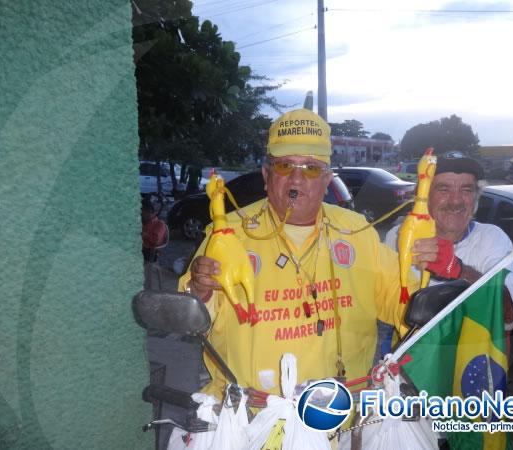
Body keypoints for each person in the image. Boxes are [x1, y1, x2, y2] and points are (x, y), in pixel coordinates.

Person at [179, 108, 424, 399]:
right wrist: (200, 289)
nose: (296, 179)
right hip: (248, 419)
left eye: (310, 168)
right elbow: (190, 317)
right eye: (284, 166)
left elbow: (405, 304)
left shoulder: (356, 231)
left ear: (327, 179)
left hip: (338, 417)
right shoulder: (227, 233)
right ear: (266, 175)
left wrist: (431, 285)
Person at [385, 156, 513, 335]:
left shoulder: (493, 238)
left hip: (471, 359)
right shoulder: (397, 237)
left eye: (466, 190)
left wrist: (459, 271)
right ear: (424, 196)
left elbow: (509, 317)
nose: (455, 201)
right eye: (443, 189)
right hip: (409, 358)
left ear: (476, 198)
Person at [141, 199, 168, 263]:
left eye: (142, 213)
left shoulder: (159, 224)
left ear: (148, 212)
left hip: (149, 251)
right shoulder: (143, 222)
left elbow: (156, 240)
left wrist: (144, 234)